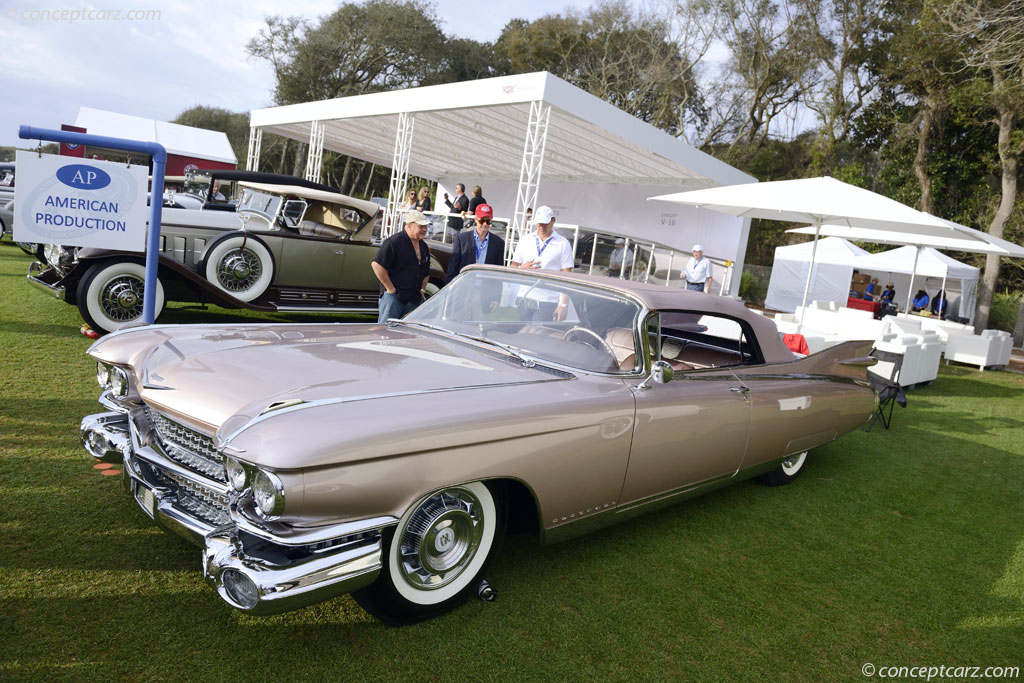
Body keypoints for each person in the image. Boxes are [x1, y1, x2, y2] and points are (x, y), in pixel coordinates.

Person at [510, 205, 573, 321]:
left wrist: (563, 304)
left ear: (553, 221)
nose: (541, 226)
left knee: (537, 335)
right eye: (539, 223)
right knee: (522, 335)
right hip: (524, 298)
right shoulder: (525, 240)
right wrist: (522, 268)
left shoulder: (563, 243)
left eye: (545, 223)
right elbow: (513, 267)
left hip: (548, 300)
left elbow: (568, 277)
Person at [371, 210, 431, 324]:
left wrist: (422, 290)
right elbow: (377, 265)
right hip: (394, 298)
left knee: (407, 337)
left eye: (425, 226)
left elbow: (426, 272)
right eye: (421, 226)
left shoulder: (424, 246)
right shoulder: (394, 242)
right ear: (409, 226)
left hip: (414, 299)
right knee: (385, 333)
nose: (424, 229)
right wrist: (390, 289)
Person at [446, 204, 505, 282]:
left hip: (486, 290)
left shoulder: (499, 243)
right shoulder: (461, 239)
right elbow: (452, 268)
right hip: (464, 288)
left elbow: (499, 274)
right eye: (482, 220)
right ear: (476, 219)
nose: (485, 224)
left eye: (488, 221)